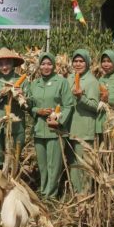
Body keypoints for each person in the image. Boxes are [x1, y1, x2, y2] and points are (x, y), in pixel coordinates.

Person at [27, 52, 73, 199]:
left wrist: (58, 119)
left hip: (55, 129)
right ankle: (43, 188)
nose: (46, 67)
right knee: (42, 163)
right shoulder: (34, 84)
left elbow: (68, 105)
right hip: (39, 129)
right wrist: (37, 111)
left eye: (49, 64)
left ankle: (51, 194)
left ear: (54, 65)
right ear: (39, 65)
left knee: (54, 163)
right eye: (43, 64)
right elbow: (29, 106)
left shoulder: (61, 82)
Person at [67, 49, 99, 194]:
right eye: (75, 61)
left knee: (84, 163)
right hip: (70, 126)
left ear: (87, 63)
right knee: (73, 162)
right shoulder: (69, 78)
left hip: (84, 128)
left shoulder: (92, 81)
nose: (78, 64)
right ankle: (75, 191)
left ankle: (85, 193)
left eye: (81, 61)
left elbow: (95, 106)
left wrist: (81, 98)